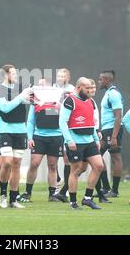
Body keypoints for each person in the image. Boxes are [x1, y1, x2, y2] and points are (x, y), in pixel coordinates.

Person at [59, 77, 103, 210]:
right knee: (76, 170)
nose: (90, 90)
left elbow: (92, 123)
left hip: (89, 141)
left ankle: (87, 198)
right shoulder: (69, 101)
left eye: (91, 88)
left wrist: (96, 139)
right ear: (79, 88)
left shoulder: (91, 101)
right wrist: (69, 140)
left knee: (99, 166)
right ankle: (73, 202)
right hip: (75, 142)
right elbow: (62, 122)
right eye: (87, 88)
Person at [0, 65, 31, 209]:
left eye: (16, 73)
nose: (15, 75)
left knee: (16, 165)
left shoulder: (21, 88)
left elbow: (30, 102)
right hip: (4, 130)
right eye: (13, 73)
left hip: (20, 129)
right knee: (7, 162)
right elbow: (6, 108)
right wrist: (21, 97)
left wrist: (35, 98)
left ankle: (13, 200)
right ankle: (2, 195)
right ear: (5, 74)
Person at [19, 79, 63, 202]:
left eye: (43, 85)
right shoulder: (36, 102)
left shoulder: (59, 101)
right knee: (34, 164)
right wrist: (30, 138)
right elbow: (31, 121)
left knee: (52, 166)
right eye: (39, 85)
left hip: (56, 137)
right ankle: (27, 193)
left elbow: (65, 119)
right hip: (39, 137)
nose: (40, 87)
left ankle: (52, 194)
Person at [98, 70, 124, 197]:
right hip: (106, 129)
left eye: (101, 79)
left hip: (112, 130)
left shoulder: (113, 94)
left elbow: (118, 117)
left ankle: (114, 190)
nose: (99, 82)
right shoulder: (108, 93)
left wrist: (114, 136)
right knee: (97, 156)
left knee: (115, 157)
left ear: (107, 80)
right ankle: (106, 188)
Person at [54, 68, 75, 202]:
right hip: (55, 128)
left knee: (67, 158)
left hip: (67, 127)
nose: (60, 77)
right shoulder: (53, 88)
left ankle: (66, 188)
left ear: (68, 77)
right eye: (58, 75)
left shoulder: (72, 89)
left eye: (63, 75)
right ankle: (57, 182)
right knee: (54, 158)